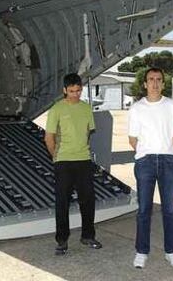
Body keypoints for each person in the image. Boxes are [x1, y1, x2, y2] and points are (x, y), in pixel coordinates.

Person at [128, 67, 173, 269]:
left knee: (170, 210)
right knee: (144, 209)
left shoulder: (172, 106)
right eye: (151, 79)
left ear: (163, 83)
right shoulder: (137, 108)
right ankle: (141, 252)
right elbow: (132, 139)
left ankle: (171, 251)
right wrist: (146, 153)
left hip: (168, 162)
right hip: (145, 162)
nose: (154, 83)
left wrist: (167, 151)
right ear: (145, 84)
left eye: (158, 79)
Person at [45, 73, 102, 255]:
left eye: (78, 91)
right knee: (62, 202)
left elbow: (87, 133)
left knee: (88, 200)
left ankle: (88, 236)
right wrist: (56, 156)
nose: (75, 94)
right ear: (64, 90)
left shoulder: (86, 109)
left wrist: (82, 151)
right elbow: (49, 137)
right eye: (71, 91)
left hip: (83, 160)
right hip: (63, 162)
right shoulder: (56, 109)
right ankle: (62, 241)